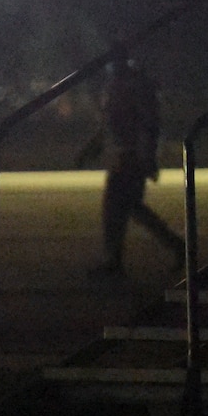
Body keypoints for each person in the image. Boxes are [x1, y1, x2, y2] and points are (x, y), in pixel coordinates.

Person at [75, 55, 185, 278]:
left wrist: (147, 157)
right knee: (130, 207)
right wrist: (91, 149)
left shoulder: (131, 88)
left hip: (130, 157)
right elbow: (111, 125)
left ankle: (115, 260)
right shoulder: (120, 87)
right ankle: (175, 247)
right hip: (125, 155)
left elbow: (146, 126)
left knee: (117, 207)